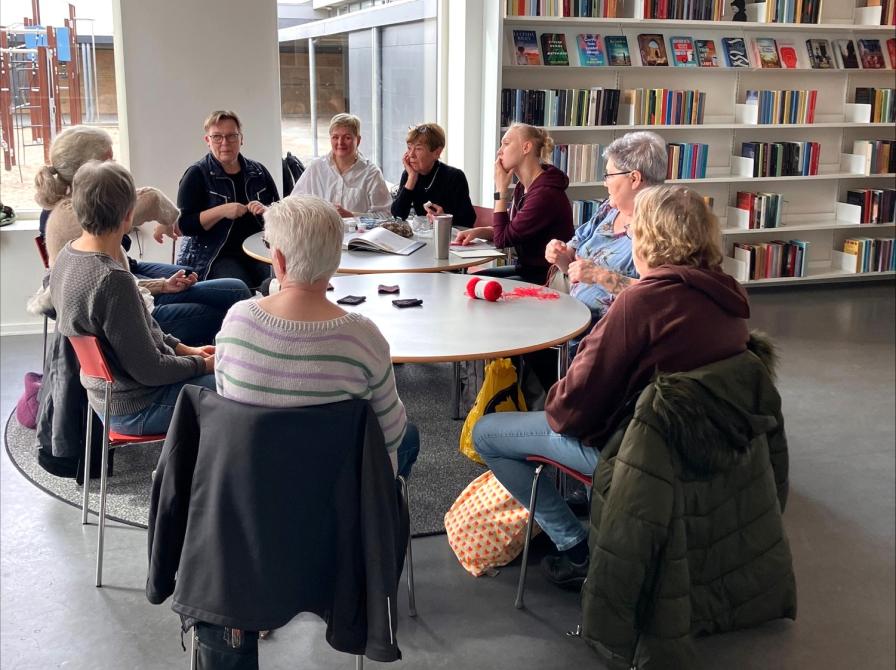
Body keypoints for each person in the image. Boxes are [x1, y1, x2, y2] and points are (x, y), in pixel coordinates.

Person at [472, 184, 751, 590]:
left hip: (638, 454)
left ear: (649, 239)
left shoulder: (639, 304)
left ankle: (574, 546)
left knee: (488, 433)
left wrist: (556, 390)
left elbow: (567, 413)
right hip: (705, 446)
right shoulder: (727, 297)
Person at [215, 195, 420, 480]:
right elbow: (391, 435)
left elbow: (226, 403)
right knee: (410, 436)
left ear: (280, 260)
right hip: (339, 494)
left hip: (250, 487)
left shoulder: (237, 320)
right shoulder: (363, 336)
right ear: (336, 259)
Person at [35, 125, 251, 347]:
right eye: (109, 161)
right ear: (86, 168)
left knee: (230, 290)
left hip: (133, 287)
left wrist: (163, 285)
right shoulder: (79, 216)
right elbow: (114, 289)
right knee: (223, 308)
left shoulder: (85, 207)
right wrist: (193, 358)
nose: (116, 166)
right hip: (134, 314)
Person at [50, 160, 216, 436]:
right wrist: (203, 364)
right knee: (235, 384)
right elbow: (150, 371)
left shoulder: (67, 257)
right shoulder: (113, 280)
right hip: (136, 406)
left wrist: (186, 350)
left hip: (106, 398)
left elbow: (143, 331)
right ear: (128, 216)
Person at [544, 131, 667, 328]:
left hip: (608, 334)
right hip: (570, 319)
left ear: (634, 178)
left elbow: (658, 295)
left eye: (609, 175)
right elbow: (572, 267)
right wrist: (559, 256)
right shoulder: (608, 209)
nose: (605, 182)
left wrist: (600, 276)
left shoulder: (661, 228)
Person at [454, 123, 574, 284]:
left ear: (526, 148)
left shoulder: (545, 194)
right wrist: (480, 232)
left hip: (548, 277)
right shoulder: (522, 187)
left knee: (471, 285)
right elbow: (511, 229)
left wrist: (501, 190)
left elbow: (502, 240)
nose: (499, 151)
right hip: (526, 269)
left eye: (506, 143)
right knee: (466, 281)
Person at [176, 110, 280, 288]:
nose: (225, 143)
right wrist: (221, 211)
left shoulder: (258, 171)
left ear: (241, 139)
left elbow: (280, 211)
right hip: (217, 255)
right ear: (207, 141)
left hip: (258, 249)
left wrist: (267, 211)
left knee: (277, 284)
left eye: (231, 136)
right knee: (239, 288)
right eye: (217, 137)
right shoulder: (196, 174)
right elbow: (184, 225)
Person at [290, 113, 391, 216]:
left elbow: (385, 215)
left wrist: (352, 216)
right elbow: (293, 204)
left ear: (358, 140)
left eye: (347, 138)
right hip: (321, 231)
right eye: (335, 137)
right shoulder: (316, 168)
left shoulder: (371, 173)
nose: (340, 142)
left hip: (358, 232)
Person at [390, 122, 476, 228]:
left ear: (437, 152)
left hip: (449, 238)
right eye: (409, 148)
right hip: (423, 236)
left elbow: (469, 220)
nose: (411, 154)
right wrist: (411, 178)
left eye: (418, 149)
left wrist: (444, 217)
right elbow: (398, 216)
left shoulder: (454, 176)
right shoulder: (409, 174)